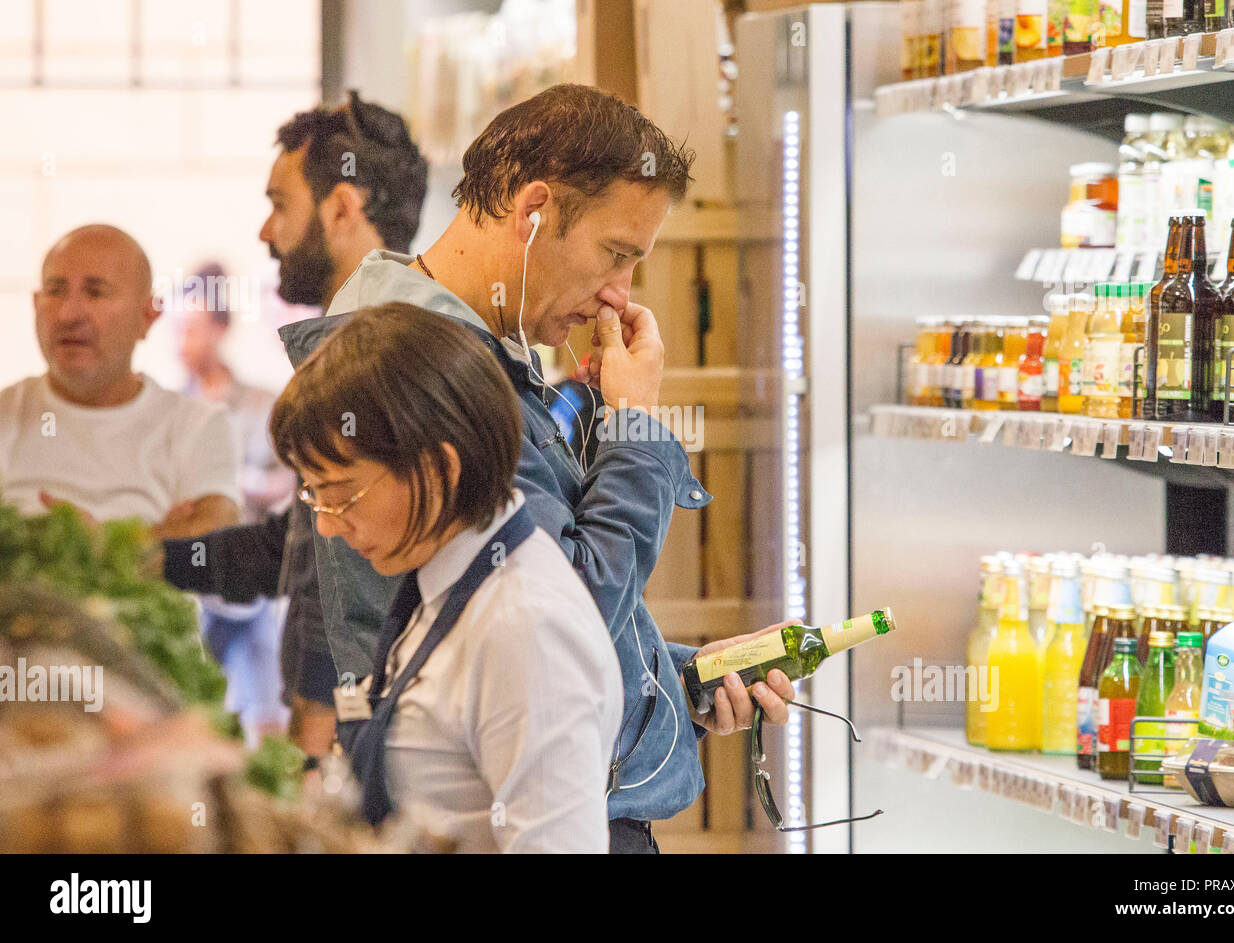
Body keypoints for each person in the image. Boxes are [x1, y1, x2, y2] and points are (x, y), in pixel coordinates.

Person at [279, 83, 796, 854]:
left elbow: (522, 632)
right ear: (533, 211)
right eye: (616, 254)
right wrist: (634, 428)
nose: (620, 295)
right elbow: (562, 614)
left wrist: (669, 681)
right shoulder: (437, 383)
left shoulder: (450, 346)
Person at [271, 302, 622, 852]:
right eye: (313, 495)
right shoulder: (440, 580)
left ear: (439, 469)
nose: (327, 526)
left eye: (341, 496)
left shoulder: (524, 627)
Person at [155, 93, 429, 761]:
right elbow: (301, 546)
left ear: (343, 207)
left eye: (280, 204)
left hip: (359, 744)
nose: (264, 231)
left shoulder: (383, 358)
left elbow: (354, 584)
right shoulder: (349, 345)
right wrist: (160, 559)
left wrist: (316, 737)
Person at [0, 225, 240, 541]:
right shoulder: (7, 415)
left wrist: (101, 544)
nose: (68, 314)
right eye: (55, 290)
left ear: (148, 316)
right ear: (35, 303)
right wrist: (157, 535)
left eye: (96, 292)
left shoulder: (196, 425)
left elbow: (213, 541)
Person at [178, 261, 297, 744]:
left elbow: (292, 484)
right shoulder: (169, 409)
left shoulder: (262, 405)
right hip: (187, 587)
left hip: (253, 590)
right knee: (192, 716)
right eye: (178, 330)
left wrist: (234, 481)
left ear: (220, 329)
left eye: (192, 329)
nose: (181, 342)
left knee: (263, 719)